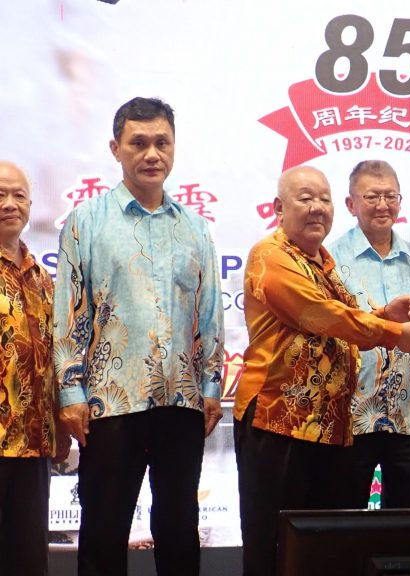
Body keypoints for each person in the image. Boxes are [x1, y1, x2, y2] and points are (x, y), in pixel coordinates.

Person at [52, 97, 225, 576]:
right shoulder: (87, 221)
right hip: (110, 403)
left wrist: (211, 386)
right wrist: (70, 393)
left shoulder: (195, 227)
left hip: (181, 402)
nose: (152, 154)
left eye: (162, 143)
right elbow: (70, 314)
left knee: (179, 529)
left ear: (174, 148)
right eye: (139, 143)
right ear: (116, 149)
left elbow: (209, 313)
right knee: (104, 530)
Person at [233, 165, 410, 576]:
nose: (317, 208)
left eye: (323, 199)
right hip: (277, 419)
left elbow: (344, 327)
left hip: (326, 426)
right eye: (305, 198)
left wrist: (382, 315)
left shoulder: (323, 261)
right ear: (279, 208)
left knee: (318, 548)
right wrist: (394, 332)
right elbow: (321, 316)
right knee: (273, 544)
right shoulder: (271, 256)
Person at [328, 160, 410, 509]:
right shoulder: (328, 259)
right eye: (372, 196)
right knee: (343, 519)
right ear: (351, 204)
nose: (382, 205)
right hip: (352, 413)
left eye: (391, 196)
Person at [0, 161, 69, 576]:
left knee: (27, 560)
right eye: (0, 195)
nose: (10, 204)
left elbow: (53, 357)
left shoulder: (42, 278)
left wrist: (60, 424)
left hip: (32, 443)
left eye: (19, 196)